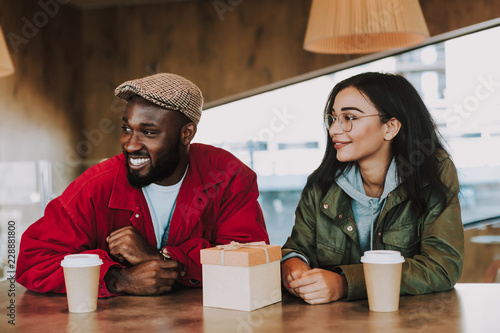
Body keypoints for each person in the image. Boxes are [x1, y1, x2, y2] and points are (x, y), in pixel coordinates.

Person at [16, 73, 269, 297]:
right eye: (127, 128)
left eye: (148, 132)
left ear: (186, 134)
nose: (130, 144)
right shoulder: (96, 185)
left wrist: (162, 258)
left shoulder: (229, 176)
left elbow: (251, 261)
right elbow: (33, 262)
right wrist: (118, 279)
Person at [281, 72, 464, 304]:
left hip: (411, 322)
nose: (334, 130)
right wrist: (293, 267)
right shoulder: (320, 184)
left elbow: (442, 267)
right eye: (333, 118)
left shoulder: (433, 173)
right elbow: (297, 249)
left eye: (349, 117)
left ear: (390, 127)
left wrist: (345, 283)